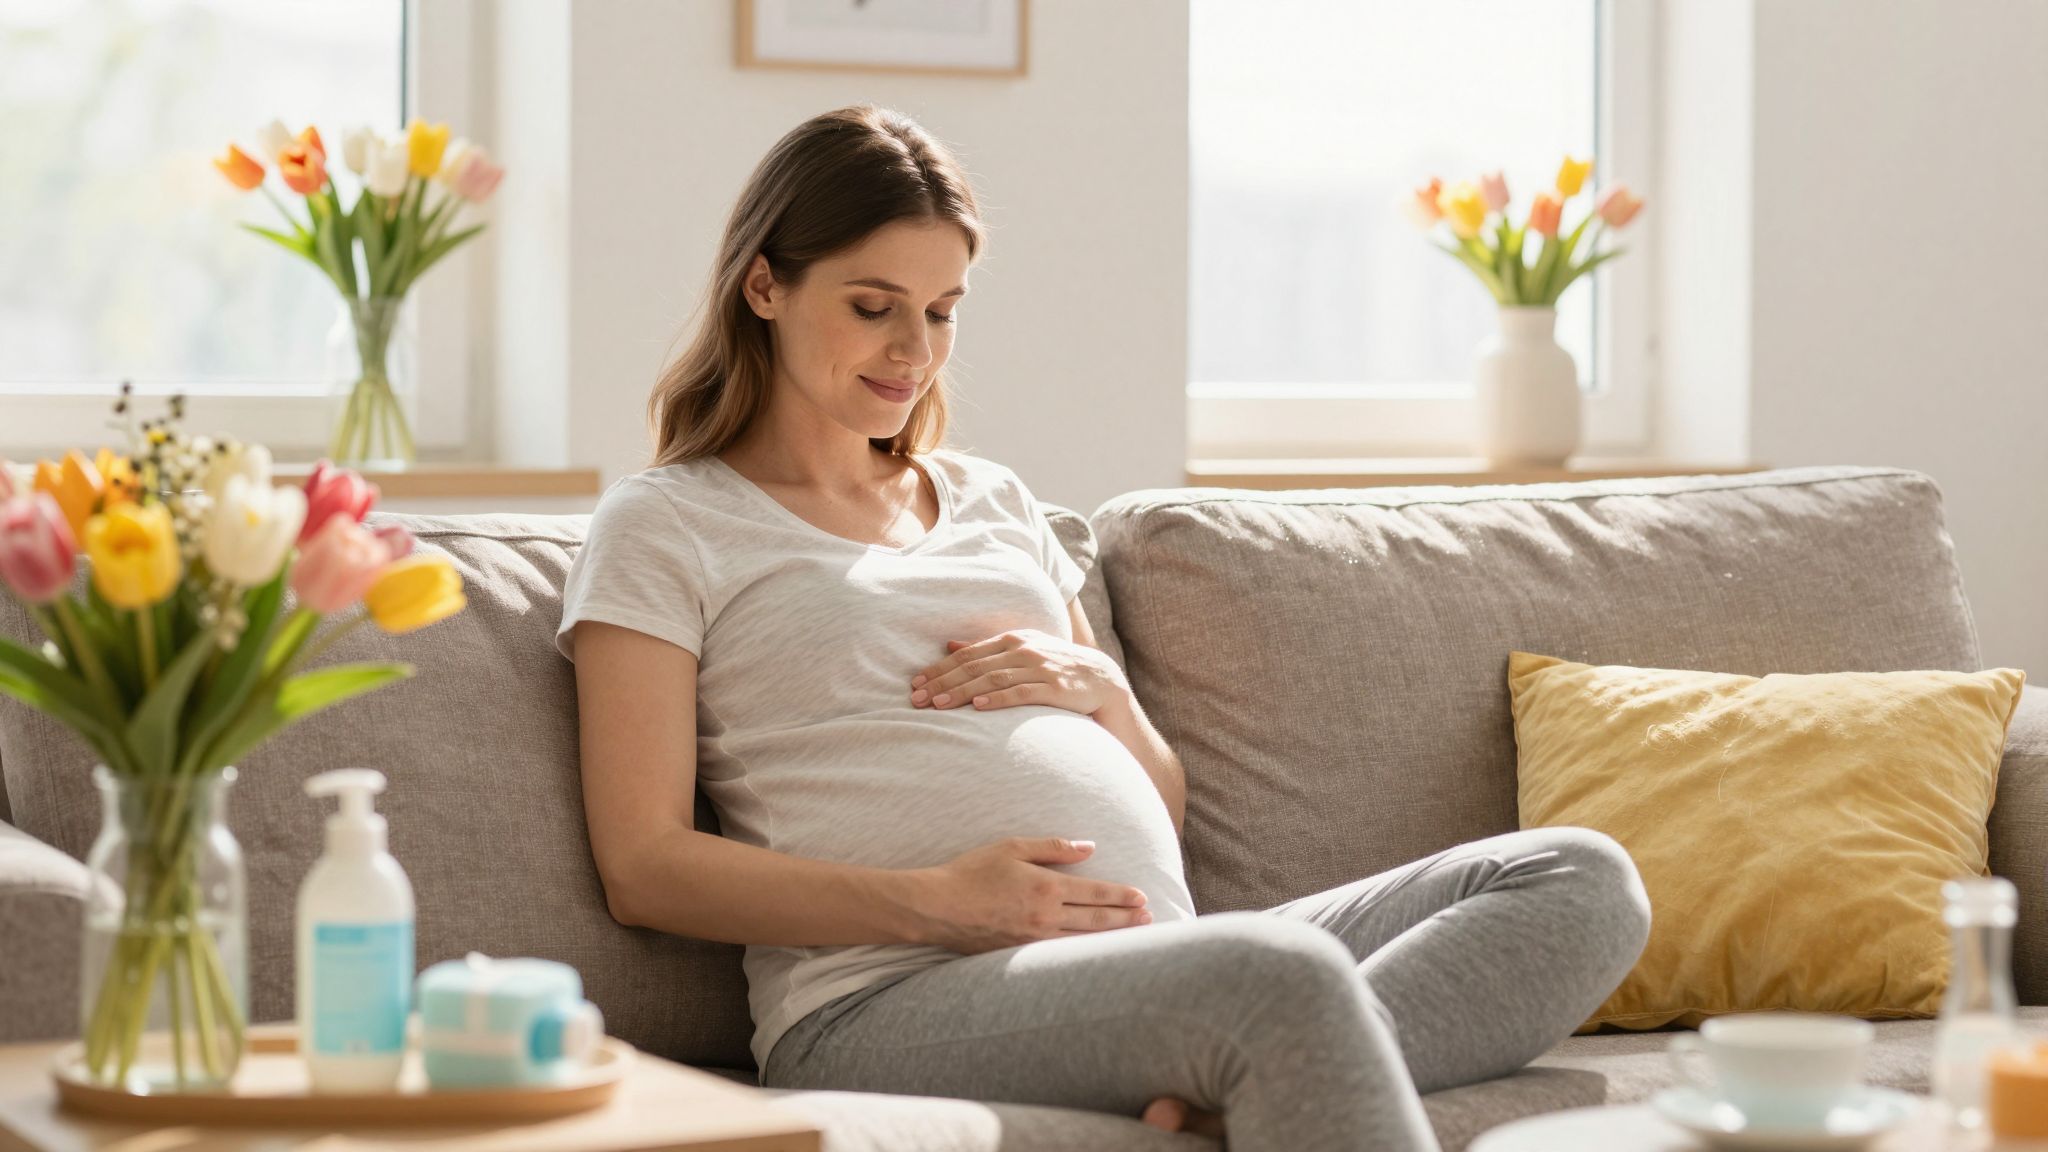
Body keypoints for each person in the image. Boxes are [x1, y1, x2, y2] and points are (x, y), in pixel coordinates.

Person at [554, 104, 1652, 1152]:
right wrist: (937, 906)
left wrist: (1103, 693)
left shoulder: (991, 501)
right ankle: (1260, 1048)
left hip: (1157, 962)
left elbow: (1157, 808)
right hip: (887, 995)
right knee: (1270, 978)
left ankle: (1244, 1080)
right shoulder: (667, 522)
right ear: (763, 286)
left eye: (940, 312)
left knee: (1578, 879)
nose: (913, 351)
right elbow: (644, 867)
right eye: (871, 304)